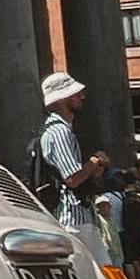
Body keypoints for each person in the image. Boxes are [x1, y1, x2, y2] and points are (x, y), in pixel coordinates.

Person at [36, 72, 110, 260]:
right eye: (75, 94)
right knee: (101, 276)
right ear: (61, 99)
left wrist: (95, 170)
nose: (81, 97)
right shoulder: (59, 132)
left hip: (80, 216)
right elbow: (72, 178)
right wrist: (94, 161)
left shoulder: (61, 129)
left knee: (105, 275)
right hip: (74, 219)